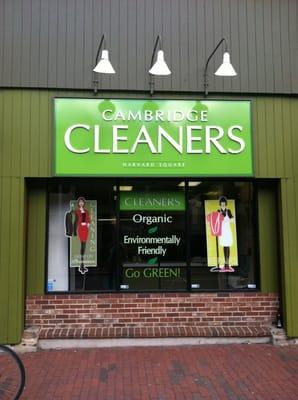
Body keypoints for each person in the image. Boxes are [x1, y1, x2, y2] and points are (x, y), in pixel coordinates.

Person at [218, 196, 234, 272]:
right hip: (223, 231)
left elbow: (232, 219)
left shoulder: (228, 211)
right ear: (220, 204)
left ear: (226, 203)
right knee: (225, 246)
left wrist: (227, 221)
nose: (223, 204)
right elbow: (217, 221)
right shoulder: (219, 211)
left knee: (228, 246)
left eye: (224, 203)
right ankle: (226, 263)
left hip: (227, 230)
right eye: (222, 203)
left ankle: (227, 264)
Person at [74, 197, 90, 274]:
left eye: (82, 202)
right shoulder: (77, 211)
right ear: (78, 203)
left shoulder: (86, 211)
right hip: (81, 228)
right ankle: (81, 264)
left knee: (84, 244)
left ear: (84, 203)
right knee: (82, 244)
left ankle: (82, 265)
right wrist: (82, 223)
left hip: (86, 229)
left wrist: (88, 224)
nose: (81, 203)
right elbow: (77, 220)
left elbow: (88, 218)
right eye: (80, 202)